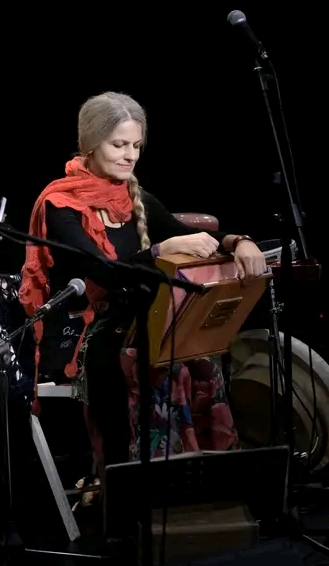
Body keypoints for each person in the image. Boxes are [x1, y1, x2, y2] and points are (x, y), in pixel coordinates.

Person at [19, 91, 269, 487]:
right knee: (150, 358)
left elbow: (186, 234)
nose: (130, 155)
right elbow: (101, 272)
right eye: (118, 144)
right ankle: (137, 487)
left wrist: (239, 242)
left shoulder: (132, 195)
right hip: (81, 334)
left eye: (136, 145)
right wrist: (159, 251)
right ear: (89, 144)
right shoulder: (59, 204)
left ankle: (200, 484)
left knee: (195, 353)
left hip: (134, 325)